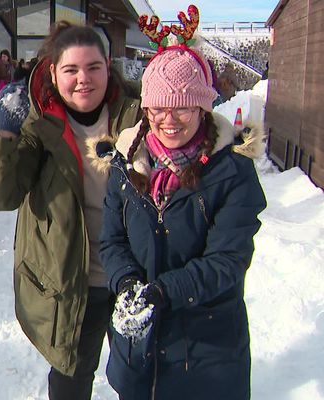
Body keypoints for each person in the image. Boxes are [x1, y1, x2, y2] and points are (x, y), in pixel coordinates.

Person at [0, 21, 142, 400]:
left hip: (134, 275)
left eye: (93, 67)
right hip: (76, 282)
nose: (84, 79)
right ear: (53, 72)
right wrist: (4, 134)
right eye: (71, 70)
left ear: (108, 65)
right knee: (72, 378)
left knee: (139, 377)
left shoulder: (137, 115)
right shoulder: (38, 125)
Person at [99, 7, 267, 400]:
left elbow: (227, 260)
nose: (168, 119)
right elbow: (112, 241)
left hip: (207, 357)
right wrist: (126, 284)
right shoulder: (127, 164)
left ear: (203, 108)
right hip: (139, 354)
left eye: (182, 106)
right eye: (157, 107)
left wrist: (161, 292)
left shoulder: (232, 172)